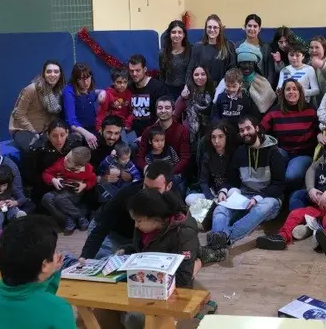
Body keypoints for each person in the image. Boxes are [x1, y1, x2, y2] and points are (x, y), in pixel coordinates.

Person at [203, 115, 286, 262]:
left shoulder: (274, 152)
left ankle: (223, 239)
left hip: (267, 198)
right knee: (220, 208)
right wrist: (223, 191)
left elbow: (279, 184)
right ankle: (218, 245)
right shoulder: (240, 152)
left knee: (264, 206)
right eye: (241, 130)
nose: (245, 133)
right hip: (245, 195)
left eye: (248, 128)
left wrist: (258, 198)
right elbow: (231, 179)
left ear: (257, 128)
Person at [118, 188, 202, 329]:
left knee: (134, 318)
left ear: (155, 220)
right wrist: (126, 249)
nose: (136, 225)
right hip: (144, 282)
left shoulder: (183, 233)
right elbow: (143, 249)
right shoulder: (145, 227)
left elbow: (183, 279)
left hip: (166, 290)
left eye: (138, 221)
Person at [256, 145, 326, 258]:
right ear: (324, 161)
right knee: (295, 213)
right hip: (316, 207)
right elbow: (312, 191)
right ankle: (282, 237)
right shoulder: (319, 171)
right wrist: (313, 194)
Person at [0, 215, 76, 329]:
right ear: (44, 265)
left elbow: (35, 296)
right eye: (53, 251)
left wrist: (53, 271)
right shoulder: (59, 308)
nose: (56, 254)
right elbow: (44, 304)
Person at [79, 161, 180, 262]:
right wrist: (85, 256)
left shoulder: (174, 198)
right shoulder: (126, 194)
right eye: (146, 187)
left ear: (169, 186)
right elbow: (101, 228)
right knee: (107, 264)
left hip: (141, 237)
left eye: (156, 189)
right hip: (112, 232)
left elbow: (183, 225)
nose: (149, 192)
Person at [260, 79, 318, 190]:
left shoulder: (310, 110)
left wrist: (320, 135)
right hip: (282, 151)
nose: (291, 92)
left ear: (300, 92)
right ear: (283, 93)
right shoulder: (275, 111)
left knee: (291, 176)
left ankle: (288, 196)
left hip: (303, 154)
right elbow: (261, 130)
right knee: (271, 172)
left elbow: (319, 129)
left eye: (294, 89)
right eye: (288, 89)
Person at [135, 97, 191, 195]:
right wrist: (146, 168)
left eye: (167, 107)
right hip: (152, 170)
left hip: (173, 172)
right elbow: (140, 157)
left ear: (173, 111)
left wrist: (168, 173)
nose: (163, 110)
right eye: (160, 108)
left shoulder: (182, 130)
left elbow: (185, 158)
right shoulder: (148, 131)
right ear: (156, 111)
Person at [9, 60, 65, 153]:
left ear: (60, 75)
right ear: (43, 74)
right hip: (23, 129)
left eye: (56, 72)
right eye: (49, 71)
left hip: (44, 130)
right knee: (35, 149)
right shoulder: (31, 89)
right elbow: (19, 114)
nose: (52, 74)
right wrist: (33, 132)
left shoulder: (59, 92)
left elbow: (54, 116)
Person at [41, 147, 97, 234]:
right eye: (67, 156)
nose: (65, 159)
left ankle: (79, 217)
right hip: (60, 189)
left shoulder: (87, 169)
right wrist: (53, 180)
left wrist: (84, 185)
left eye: (69, 160)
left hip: (74, 192)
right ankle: (71, 218)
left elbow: (92, 180)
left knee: (60, 199)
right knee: (46, 198)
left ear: (78, 166)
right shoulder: (60, 163)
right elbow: (46, 173)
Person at [185, 121, 239, 206]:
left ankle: (213, 208)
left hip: (227, 191)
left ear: (226, 137)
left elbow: (234, 180)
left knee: (235, 192)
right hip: (212, 191)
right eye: (213, 137)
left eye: (220, 137)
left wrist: (223, 191)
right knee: (189, 199)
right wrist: (211, 198)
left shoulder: (233, 154)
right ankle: (215, 206)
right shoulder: (207, 155)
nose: (216, 141)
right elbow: (203, 181)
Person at [185, 14, 237, 84]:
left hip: (222, 88)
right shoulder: (197, 47)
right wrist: (187, 86)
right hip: (203, 89)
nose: (212, 30)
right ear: (206, 29)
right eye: (209, 27)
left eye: (215, 27)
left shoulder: (229, 46)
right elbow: (190, 69)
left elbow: (233, 69)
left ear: (220, 29)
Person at [128, 54, 167, 137]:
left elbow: (163, 115)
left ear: (145, 69)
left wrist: (147, 135)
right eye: (131, 71)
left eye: (138, 70)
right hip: (131, 132)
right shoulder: (128, 87)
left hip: (152, 133)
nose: (134, 74)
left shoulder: (157, 87)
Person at [175, 65, 215, 146]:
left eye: (203, 74)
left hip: (208, 132)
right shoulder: (187, 92)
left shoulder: (213, 91)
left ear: (207, 76)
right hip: (189, 134)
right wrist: (182, 97)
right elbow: (177, 112)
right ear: (192, 77)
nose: (200, 77)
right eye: (196, 75)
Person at [0, 165, 26, 245]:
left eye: (4, 186)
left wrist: (15, 202)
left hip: (9, 208)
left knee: (14, 210)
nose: (1, 189)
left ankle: (18, 219)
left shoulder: (11, 188)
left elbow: (22, 198)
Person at [62, 63, 100, 148]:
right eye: (81, 79)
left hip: (94, 126)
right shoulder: (69, 91)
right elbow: (71, 122)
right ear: (76, 80)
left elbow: (94, 93)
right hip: (78, 131)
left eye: (88, 78)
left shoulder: (89, 89)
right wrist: (86, 134)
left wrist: (103, 93)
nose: (86, 82)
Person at [95, 68, 135, 144]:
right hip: (111, 125)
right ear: (113, 82)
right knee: (123, 144)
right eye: (119, 82)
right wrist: (99, 127)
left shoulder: (129, 94)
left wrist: (128, 124)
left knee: (133, 144)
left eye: (125, 82)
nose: (122, 85)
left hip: (124, 125)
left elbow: (131, 112)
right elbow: (102, 112)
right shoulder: (108, 94)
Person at [158, 20, 192, 100]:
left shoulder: (191, 51)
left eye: (180, 32)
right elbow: (162, 75)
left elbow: (192, 72)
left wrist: (188, 87)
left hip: (187, 90)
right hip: (169, 90)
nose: (176, 35)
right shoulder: (162, 53)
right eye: (173, 32)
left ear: (184, 35)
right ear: (169, 34)